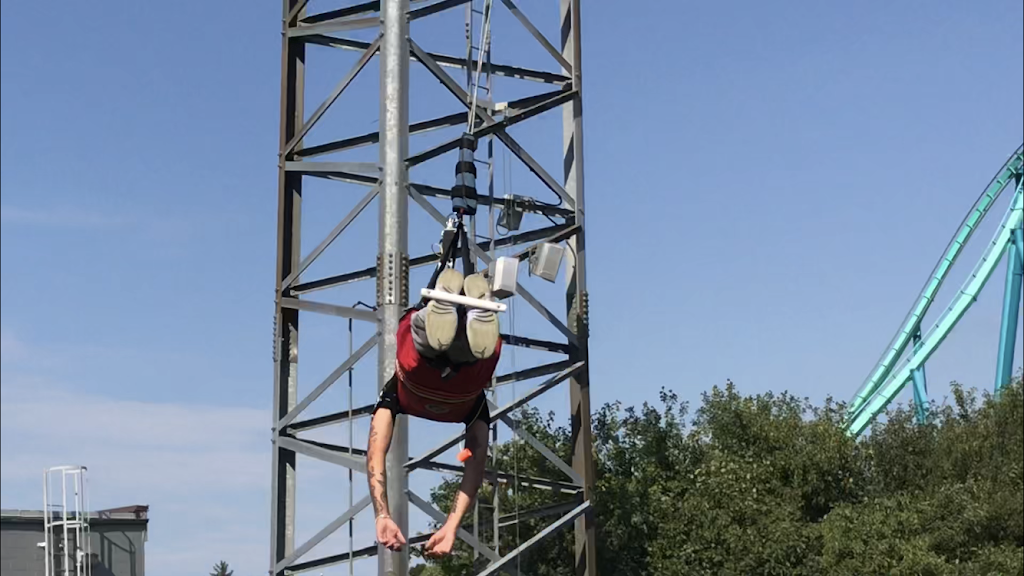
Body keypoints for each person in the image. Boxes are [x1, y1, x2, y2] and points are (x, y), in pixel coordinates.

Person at [367, 267, 502, 558]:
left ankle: (457, 324)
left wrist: (383, 515)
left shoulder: (473, 407)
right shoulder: (394, 396)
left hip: (466, 383)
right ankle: (443, 316)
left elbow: (377, 453)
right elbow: (477, 463)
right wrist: (451, 524)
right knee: (418, 342)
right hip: (423, 376)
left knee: (475, 358)